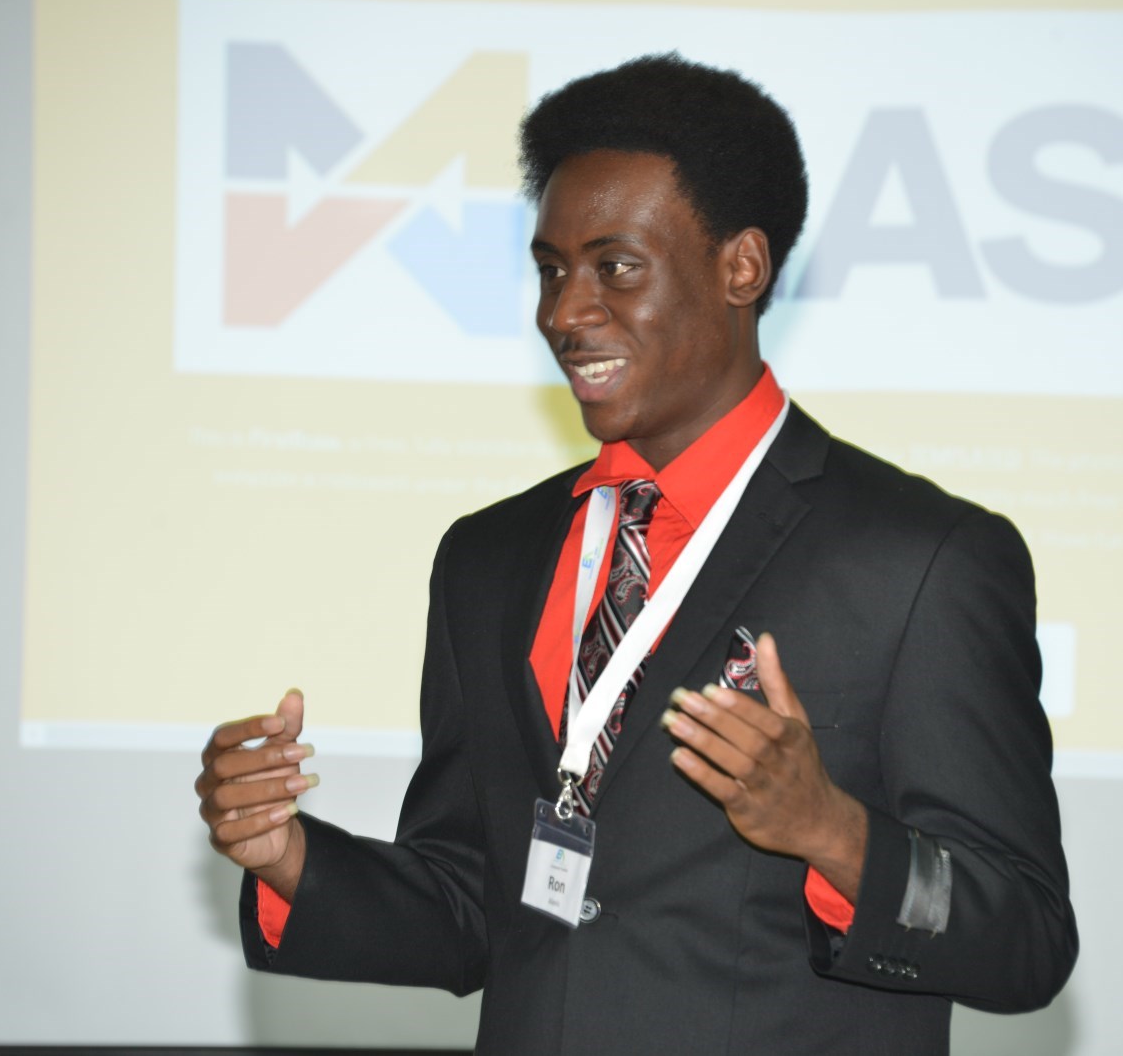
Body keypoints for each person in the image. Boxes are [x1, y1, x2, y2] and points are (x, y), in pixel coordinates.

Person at [196, 53, 1077, 1054]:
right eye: (550, 270)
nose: (563, 313)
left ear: (741, 268)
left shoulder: (923, 560)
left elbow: (1026, 937)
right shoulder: (488, 558)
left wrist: (833, 830)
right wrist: (290, 858)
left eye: (614, 266)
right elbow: (476, 899)